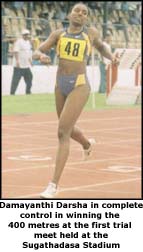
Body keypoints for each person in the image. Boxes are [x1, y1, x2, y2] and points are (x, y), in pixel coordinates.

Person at [33, 3, 119, 198]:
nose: (80, 14)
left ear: (86, 18)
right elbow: (38, 51)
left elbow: (101, 47)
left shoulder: (91, 34)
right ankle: (87, 144)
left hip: (79, 84)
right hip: (60, 84)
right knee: (68, 129)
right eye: (77, 11)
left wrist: (110, 56)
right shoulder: (58, 34)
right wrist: (41, 56)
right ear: (70, 14)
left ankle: (53, 186)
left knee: (62, 132)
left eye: (84, 13)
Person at [10, 29, 33, 95]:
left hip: (26, 65)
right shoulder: (19, 42)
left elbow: (28, 53)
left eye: (27, 34)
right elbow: (16, 51)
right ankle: (12, 93)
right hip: (19, 66)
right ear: (23, 35)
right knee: (15, 81)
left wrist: (30, 61)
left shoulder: (28, 43)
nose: (26, 36)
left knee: (30, 78)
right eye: (25, 35)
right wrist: (17, 61)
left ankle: (28, 92)